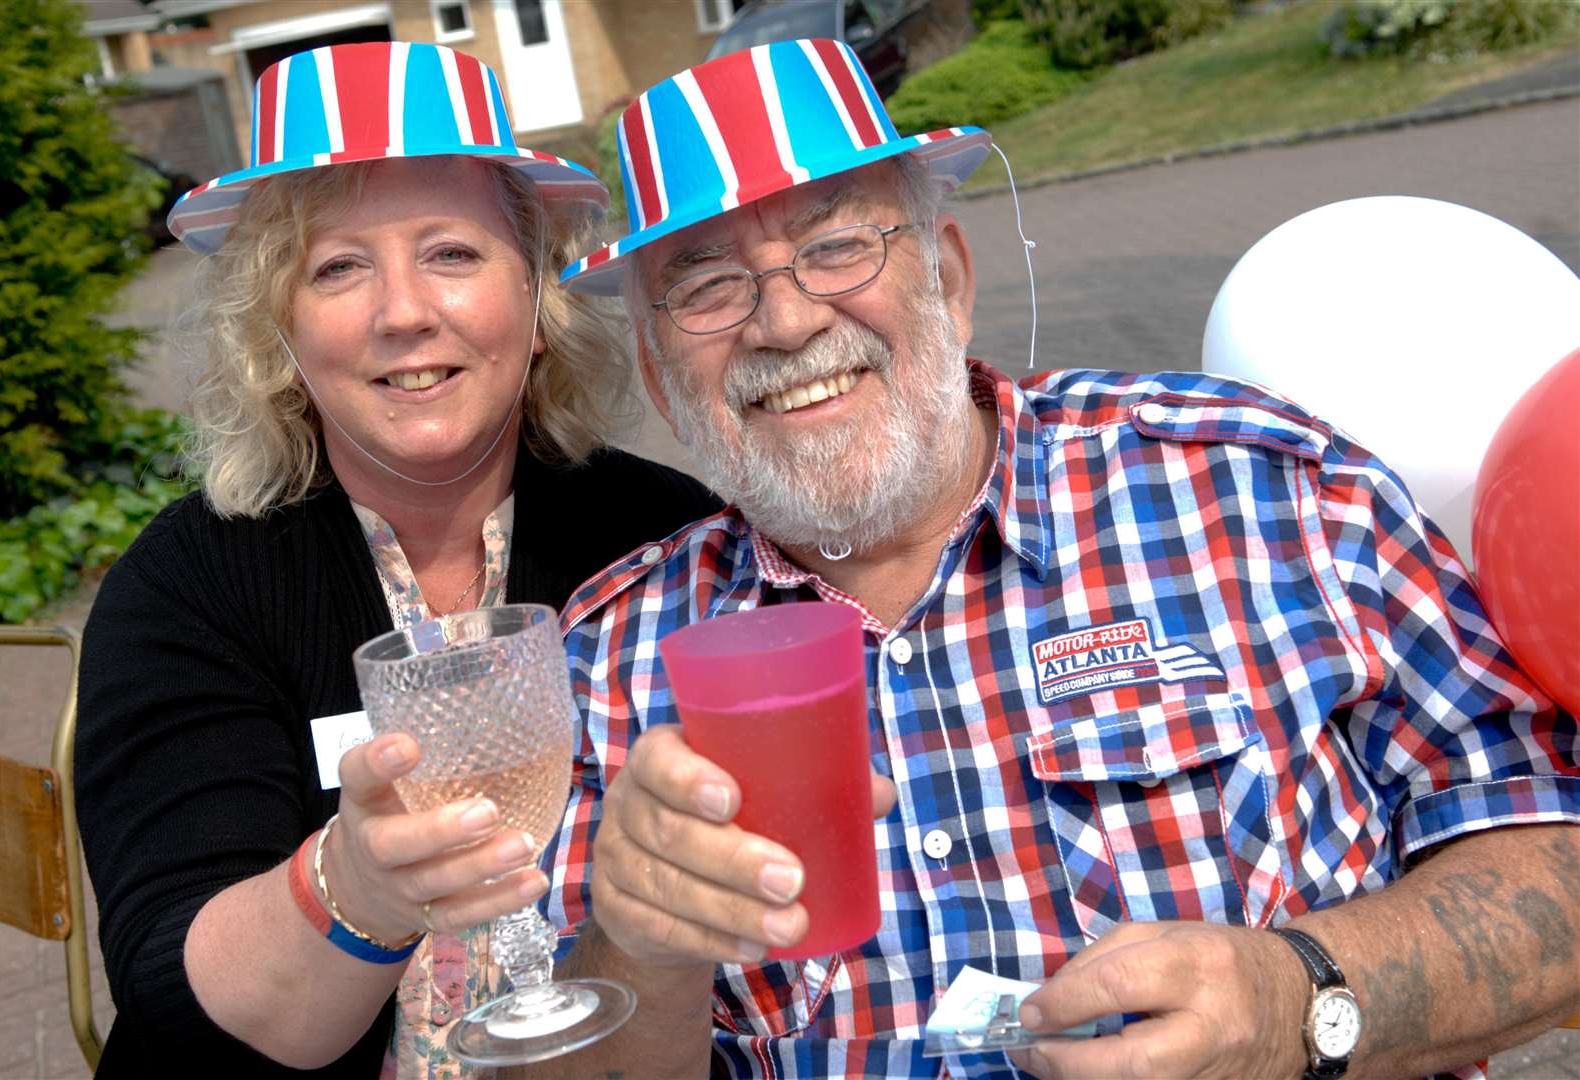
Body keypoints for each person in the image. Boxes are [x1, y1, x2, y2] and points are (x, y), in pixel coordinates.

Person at [520, 40, 1580, 1080]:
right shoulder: (609, 661)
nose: (786, 321)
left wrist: (1297, 998)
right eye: (705, 288)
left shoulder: (1268, 488)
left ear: (945, 274)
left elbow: (1553, 855)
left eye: (836, 246)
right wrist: (639, 941)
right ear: (661, 378)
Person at [75, 42, 718, 1078]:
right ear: (280, 335)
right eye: (338, 267)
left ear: (536, 302)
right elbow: (172, 992)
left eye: (453, 253)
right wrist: (353, 891)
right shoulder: (189, 587)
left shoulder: (663, 535)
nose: (403, 311)